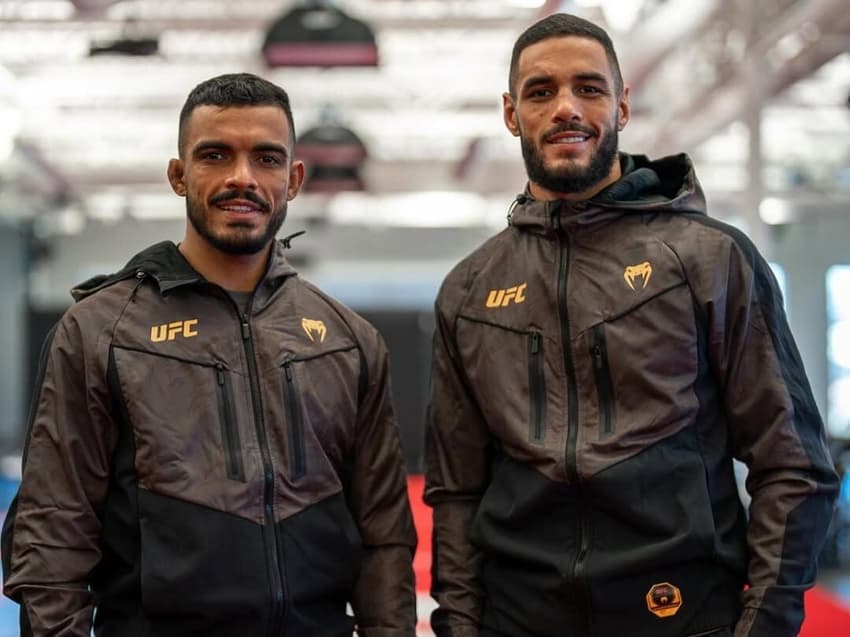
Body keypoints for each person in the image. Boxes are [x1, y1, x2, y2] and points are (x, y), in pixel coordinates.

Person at [424, 13, 838, 637]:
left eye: (588, 89)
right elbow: (455, 492)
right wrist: (460, 627)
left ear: (621, 106)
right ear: (512, 114)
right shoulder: (469, 289)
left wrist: (766, 621)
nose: (566, 108)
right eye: (541, 92)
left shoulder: (709, 258)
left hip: (684, 614)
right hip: (519, 620)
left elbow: (794, 463)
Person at [2, 72, 417, 637]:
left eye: (266, 158)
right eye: (215, 155)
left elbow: (384, 535)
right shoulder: (100, 331)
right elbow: (52, 537)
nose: (241, 178)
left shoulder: (348, 339)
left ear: (294, 178)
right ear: (179, 175)